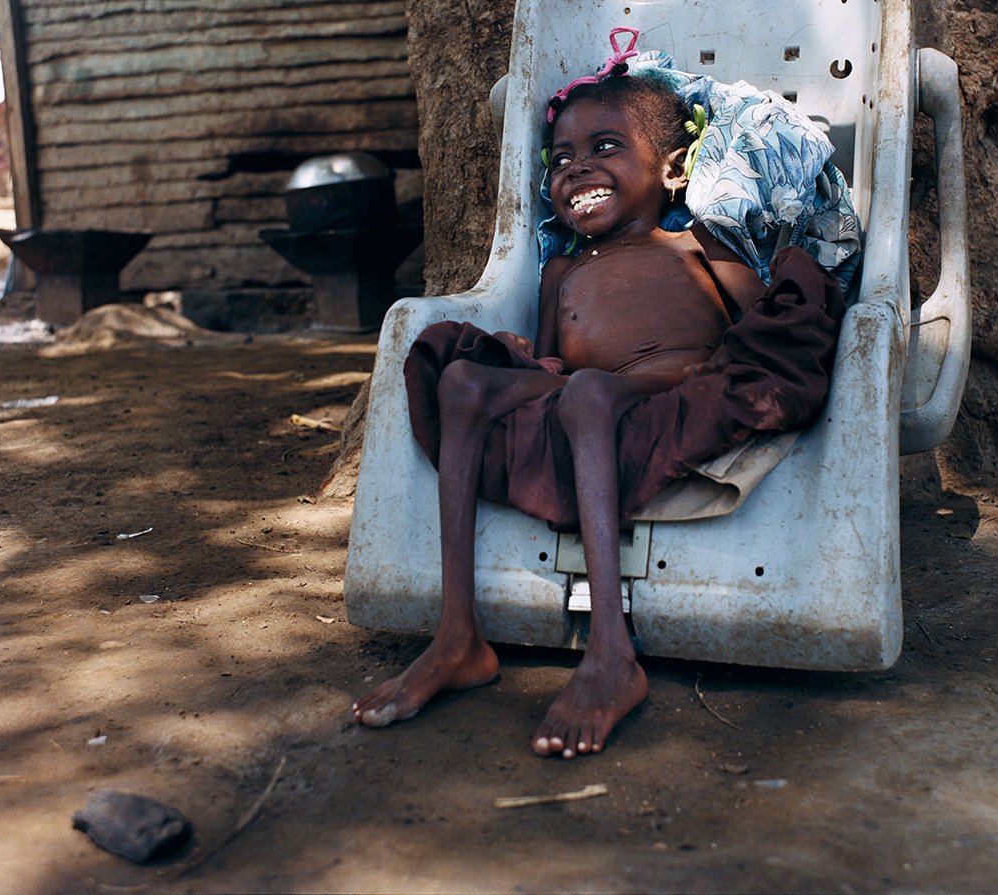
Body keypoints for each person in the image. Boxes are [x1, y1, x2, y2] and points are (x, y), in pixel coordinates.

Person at [351, 51, 845, 760]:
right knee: (460, 378)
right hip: (590, 400)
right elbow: (555, 362)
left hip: (679, 392)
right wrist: (529, 356)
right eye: (561, 159)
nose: (575, 169)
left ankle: (612, 652)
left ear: (673, 169)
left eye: (605, 147)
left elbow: (760, 335)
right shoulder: (559, 270)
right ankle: (457, 636)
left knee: (587, 393)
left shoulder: (696, 239)